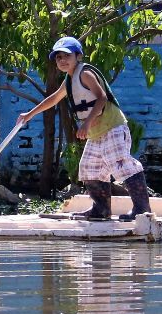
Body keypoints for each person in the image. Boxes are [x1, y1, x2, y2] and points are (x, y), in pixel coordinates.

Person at [16, 36, 151, 221]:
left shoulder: (85, 73)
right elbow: (54, 98)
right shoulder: (69, 80)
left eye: (67, 56)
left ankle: (142, 209)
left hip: (112, 127)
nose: (62, 60)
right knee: (89, 168)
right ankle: (101, 209)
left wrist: (86, 123)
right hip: (96, 133)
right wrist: (29, 114)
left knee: (122, 164)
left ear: (78, 56)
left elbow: (102, 98)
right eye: (58, 57)